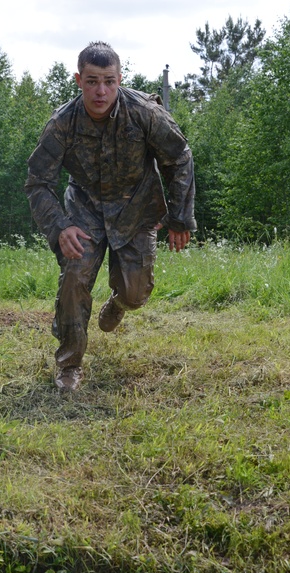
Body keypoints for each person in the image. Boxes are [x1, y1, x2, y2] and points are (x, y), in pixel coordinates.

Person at [25, 41, 196, 392]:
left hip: (136, 209)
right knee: (74, 276)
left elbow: (179, 157)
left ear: (120, 79)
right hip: (84, 211)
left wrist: (180, 218)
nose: (100, 91)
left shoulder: (144, 112)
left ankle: (118, 303)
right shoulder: (62, 123)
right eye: (91, 81)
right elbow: (37, 181)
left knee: (136, 294)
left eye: (108, 81)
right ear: (78, 80)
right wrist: (60, 228)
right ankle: (69, 364)